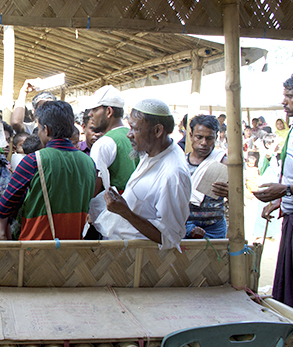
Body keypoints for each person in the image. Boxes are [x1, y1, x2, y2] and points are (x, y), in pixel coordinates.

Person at [98, 98, 191, 250]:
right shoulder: (152, 152)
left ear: (157, 131)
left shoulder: (173, 174)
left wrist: (126, 212)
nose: (129, 135)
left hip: (140, 261)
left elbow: (169, 237)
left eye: (135, 129)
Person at [0, 101, 96, 240]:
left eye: (39, 129)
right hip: (74, 246)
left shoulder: (33, 161)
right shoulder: (89, 162)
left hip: (38, 244)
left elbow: (4, 206)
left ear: (46, 130)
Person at [253, 72, 293, 310]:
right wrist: (282, 200)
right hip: (292, 216)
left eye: (289, 96)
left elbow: (291, 182)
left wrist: (287, 190)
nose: (284, 102)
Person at [84, 86, 138, 238]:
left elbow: (94, 183)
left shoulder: (105, 143)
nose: (90, 114)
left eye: (94, 109)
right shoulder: (131, 137)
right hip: (132, 218)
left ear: (108, 111)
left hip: (109, 222)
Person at [185, 115, 228, 239]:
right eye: (199, 137)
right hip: (186, 225)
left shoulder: (223, 162)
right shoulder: (181, 163)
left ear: (216, 137)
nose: (204, 143)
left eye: (209, 138)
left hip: (215, 228)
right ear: (191, 135)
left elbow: (238, 193)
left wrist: (229, 192)